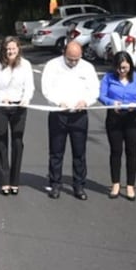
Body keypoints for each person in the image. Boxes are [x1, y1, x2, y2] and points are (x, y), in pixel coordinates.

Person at [40, 40, 99, 200]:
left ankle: (79, 185)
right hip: (58, 113)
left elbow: (94, 90)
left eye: (76, 59)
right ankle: (55, 184)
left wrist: (86, 101)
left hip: (79, 115)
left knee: (79, 152)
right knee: (56, 151)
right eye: (70, 59)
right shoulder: (52, 66)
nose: (73, 62)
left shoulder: (87, 68)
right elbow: (46, 88)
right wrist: (58, 102)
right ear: (64, 54)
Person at [98, 51, 136, 201]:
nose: (121, 71)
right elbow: (102, 95)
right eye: (119, 68)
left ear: (130, 66)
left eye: (125, 68)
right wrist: (111, 103)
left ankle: (130, 185)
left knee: (131, 151)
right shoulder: (108, 78)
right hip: (114, 118)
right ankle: (115, 183)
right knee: (116, 151)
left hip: (132, 118)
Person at [0, 36, 34, 195]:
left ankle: (15, 181)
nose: (11, 52)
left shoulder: (25, 65)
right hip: (0, 106)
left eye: (13, 49)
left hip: (19, 106)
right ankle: (4, 182)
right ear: (3, 50)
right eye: (8, 49)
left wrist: (26, 98)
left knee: (17, 142)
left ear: (18, 49)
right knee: (1, 141)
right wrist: (2, 98)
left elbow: (29, 86)